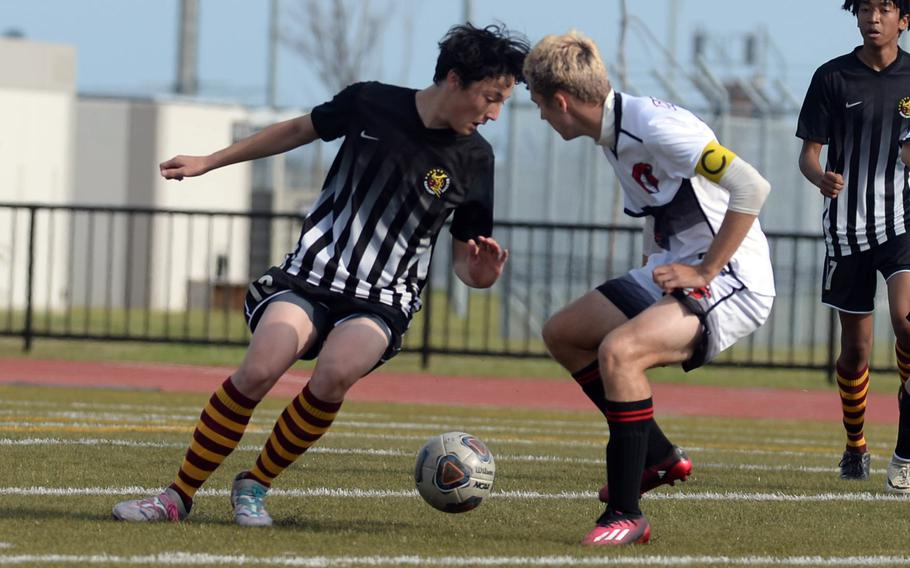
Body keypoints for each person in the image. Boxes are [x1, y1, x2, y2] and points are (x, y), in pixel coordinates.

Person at [111, 22, 529, 526]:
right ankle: (176, 496)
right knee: (262, 368)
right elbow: (296, 130)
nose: (494, 113)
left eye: (503, 102)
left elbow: (467, 260)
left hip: (383, 298)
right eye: (490, 97)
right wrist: (211, 161)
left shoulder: (476, 159)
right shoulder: (370, 102)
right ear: (455, 79)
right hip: (311, 273)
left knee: (333, 375)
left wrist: (480, 274)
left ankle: (255, 484)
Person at [523, 32, 775, 545]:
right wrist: (647, 275)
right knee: (565, 333)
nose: (542, 117)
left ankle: (625, 514)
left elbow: (752, 187)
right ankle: (656, 455)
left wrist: (704, 271)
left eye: (538, 104)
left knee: (620, 352)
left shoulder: (658, 127)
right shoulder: (613, 136)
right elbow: (657, 212)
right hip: (676, 268)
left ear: (562, 101)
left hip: (733, 278)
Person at [797, 0, 910, 491]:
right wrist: (821, 179)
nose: (873, 17)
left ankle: (905, 450)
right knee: (855, 351)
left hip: (902, 223)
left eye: (885, 8)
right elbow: (808, 154)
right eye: (865, 9)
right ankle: (856, 445)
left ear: (903, 20)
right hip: (846, 228)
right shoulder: (831, 77)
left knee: (907, 323)